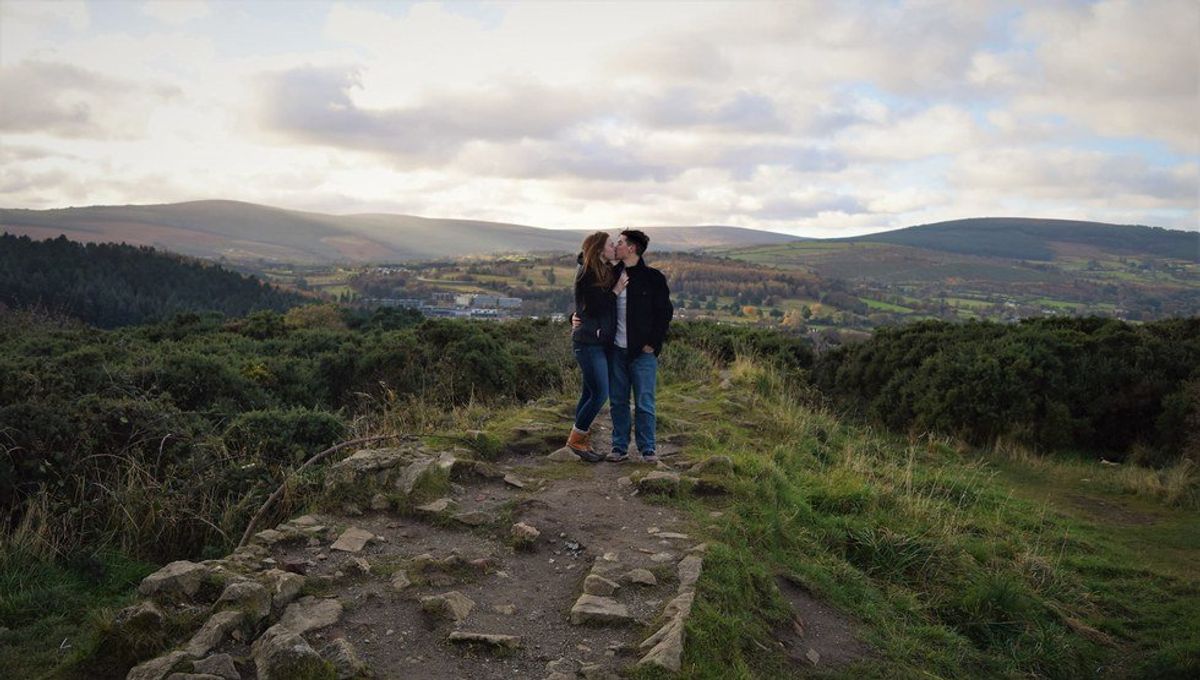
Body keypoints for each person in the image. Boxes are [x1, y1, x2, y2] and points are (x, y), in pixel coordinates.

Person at [576, 229, 673, 463]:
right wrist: (574, 315)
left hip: (643, 353)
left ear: (631, 248)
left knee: (644, 402)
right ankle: (619, 447)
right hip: (614, 350)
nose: (616, 246)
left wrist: (653, 344)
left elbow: (664, 313)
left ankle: (647, 448)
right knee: (618, 401)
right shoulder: (609, 273)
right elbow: (592, 300)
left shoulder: (653, 278)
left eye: (619, 243)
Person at [566, 231, 620, 462]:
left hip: (596, 340)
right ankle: (576, 440)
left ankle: (579, 439)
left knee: (589, 392)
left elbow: (584, 306)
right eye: (610, 244)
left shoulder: (600, 269)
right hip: (588, 342)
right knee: (600, 394)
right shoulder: (587, 272)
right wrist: (617, 291)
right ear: (599, 249)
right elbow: (593, 307)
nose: (614, 246)